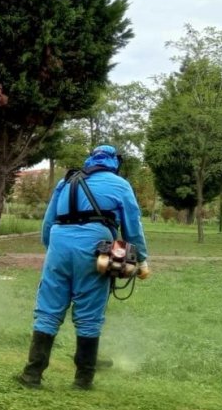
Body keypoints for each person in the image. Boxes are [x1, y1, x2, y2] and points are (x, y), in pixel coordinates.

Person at [17, 145, 149, 390]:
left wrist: (55, 251)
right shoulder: (120, 185)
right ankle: (83, 379)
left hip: (58, 244)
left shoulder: (66, 181)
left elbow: (48, 223)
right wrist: (140, 259)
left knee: (48, 309)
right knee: (89, 313)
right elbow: (132, 227)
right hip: (95, 247)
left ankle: (32, 374)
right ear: (114, 162)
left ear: (91, 159)